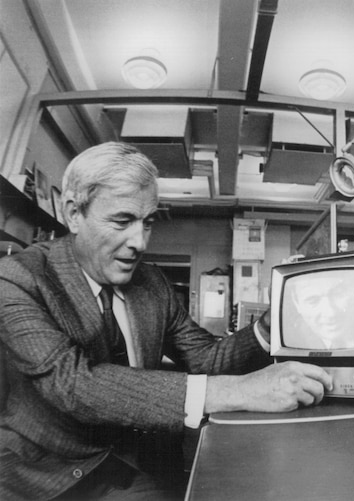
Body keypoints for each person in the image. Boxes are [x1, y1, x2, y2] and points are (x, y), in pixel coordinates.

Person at [0, 142, 333, 500]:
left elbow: (206, 359)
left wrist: (269, 324)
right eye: (123, 221)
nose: (139, 242)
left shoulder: (152, 283)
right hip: (42, 475)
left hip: (130, 465)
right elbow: (74, 383)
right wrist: (238, 390)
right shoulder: (17, 277)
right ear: (73, 214)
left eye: (148, 222)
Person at [284, 272, 354, 350]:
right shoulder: (293, 340)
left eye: (338, 294)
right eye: (313, 301)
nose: (331, 313)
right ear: (296, 303)